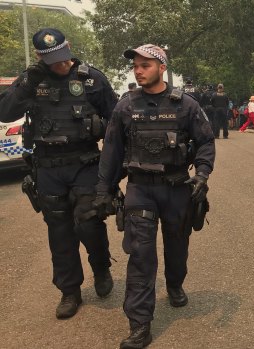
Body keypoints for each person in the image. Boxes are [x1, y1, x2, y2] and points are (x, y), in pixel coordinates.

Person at [95, 44, 215, 348]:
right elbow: (111, 152)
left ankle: (175, 285)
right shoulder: (125, 107)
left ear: (162, 67)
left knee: (177, 247)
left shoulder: (186, 105)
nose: (138, 70)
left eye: (145, 65)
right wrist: (103, 190)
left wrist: (201, 174)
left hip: (176, 188)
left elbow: (205, 142)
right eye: (136, 65)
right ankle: (140, 325)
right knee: (140, 257)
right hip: (140, 190)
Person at [0, 28, 116, 319]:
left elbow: (116, 121)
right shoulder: (32, 81)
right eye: (52, 60)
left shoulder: (92, 79)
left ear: (70, 48)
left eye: (63, 57)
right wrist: (26, 83)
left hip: (86, 163)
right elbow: (4, 112)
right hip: (48, 167)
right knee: (60, 231)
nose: (60, 65)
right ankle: (69, 291)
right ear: (40, 57)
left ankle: (101, 267)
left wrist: (116, 167)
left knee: (89, 222)